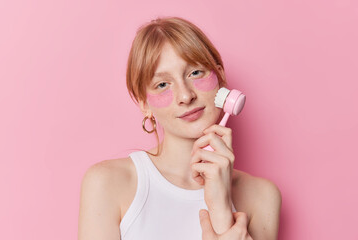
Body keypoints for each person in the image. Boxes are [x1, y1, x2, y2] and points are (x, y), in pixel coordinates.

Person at [78, 16, 282, 240]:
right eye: (163, 84)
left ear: (220, 77)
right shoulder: (106, 183)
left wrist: (222, 209)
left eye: (195, 73)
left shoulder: (262, 196)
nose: (185, 96)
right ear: (144, 104)